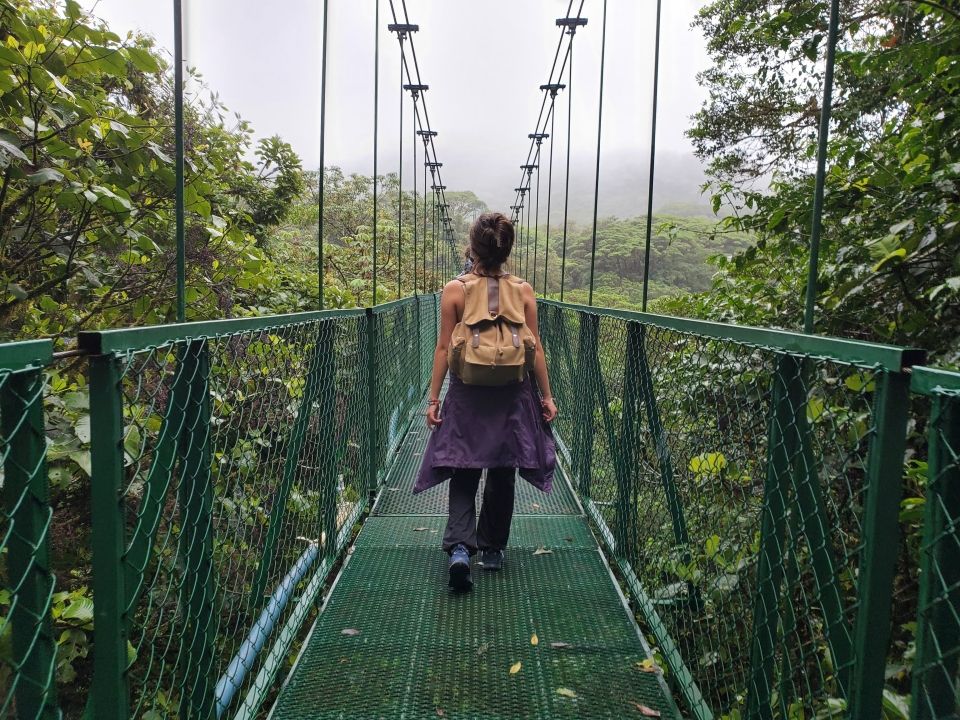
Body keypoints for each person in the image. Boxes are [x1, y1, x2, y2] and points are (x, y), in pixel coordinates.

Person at [413, 211, 558, 592]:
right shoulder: (525, 291)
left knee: (463, 465)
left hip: (467, 390)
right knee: (503, 466)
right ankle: (492, 549)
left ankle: (461, 547)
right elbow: (536, 347)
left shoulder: (455, 289)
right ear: (507, 249)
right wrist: (547, 396)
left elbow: (444, 347)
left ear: (472, 247)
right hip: (512, 392)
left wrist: (433, 399)